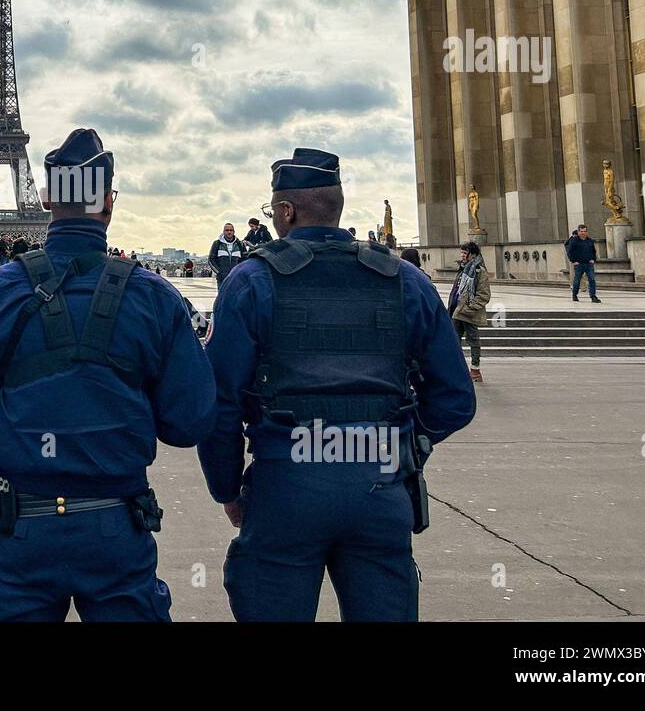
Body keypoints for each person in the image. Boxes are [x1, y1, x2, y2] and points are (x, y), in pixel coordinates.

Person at [0, 127, 216, 622]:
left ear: (44, 198)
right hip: (116, 525)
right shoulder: (153, 297)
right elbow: (189, 423)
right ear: (108, 202)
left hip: (22, 526)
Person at [196, 147, 476, 622]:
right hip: (378, 481)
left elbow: (218, 404)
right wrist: (407, 445)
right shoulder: (404, 279)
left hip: (287, 482)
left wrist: (228, 490)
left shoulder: (250, 282)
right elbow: (455, 399)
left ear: (286, 212)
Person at [449, 241, 490, 382]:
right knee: (454, 340)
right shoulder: (463, 269)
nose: (462, 255)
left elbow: (484, 295)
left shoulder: (479, 271)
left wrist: (469, 308)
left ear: (473, 255)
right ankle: (456, 368)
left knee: (473, 340)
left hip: (468, 312)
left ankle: (475, 369)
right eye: (462, 252)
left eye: (465, 253)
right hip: (457, 311)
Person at [565, 224, 601, 303]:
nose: (583, 233)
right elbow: (570, 252)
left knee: (592, 280)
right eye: (581, 231)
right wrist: (574, 261)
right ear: (578, 232)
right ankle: (574, 294)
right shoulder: (574, 241)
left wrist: (593, 259)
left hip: (588, 263)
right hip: (579, 264)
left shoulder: (589, 240)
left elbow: (593, 251)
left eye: (584, 231)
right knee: (577, 280)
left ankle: (593, 296)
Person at [208, 222, 244, 287]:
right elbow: (211, 260)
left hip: (236, 278)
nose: (229, 232)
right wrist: (219, 272)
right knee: (223, 296)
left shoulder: (240, 244)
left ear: (234, 232)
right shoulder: (217, 244)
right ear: (223, 232)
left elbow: (245, 259)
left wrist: (240, 272)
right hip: (222, 279)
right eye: (227, 230)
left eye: (231, 230)